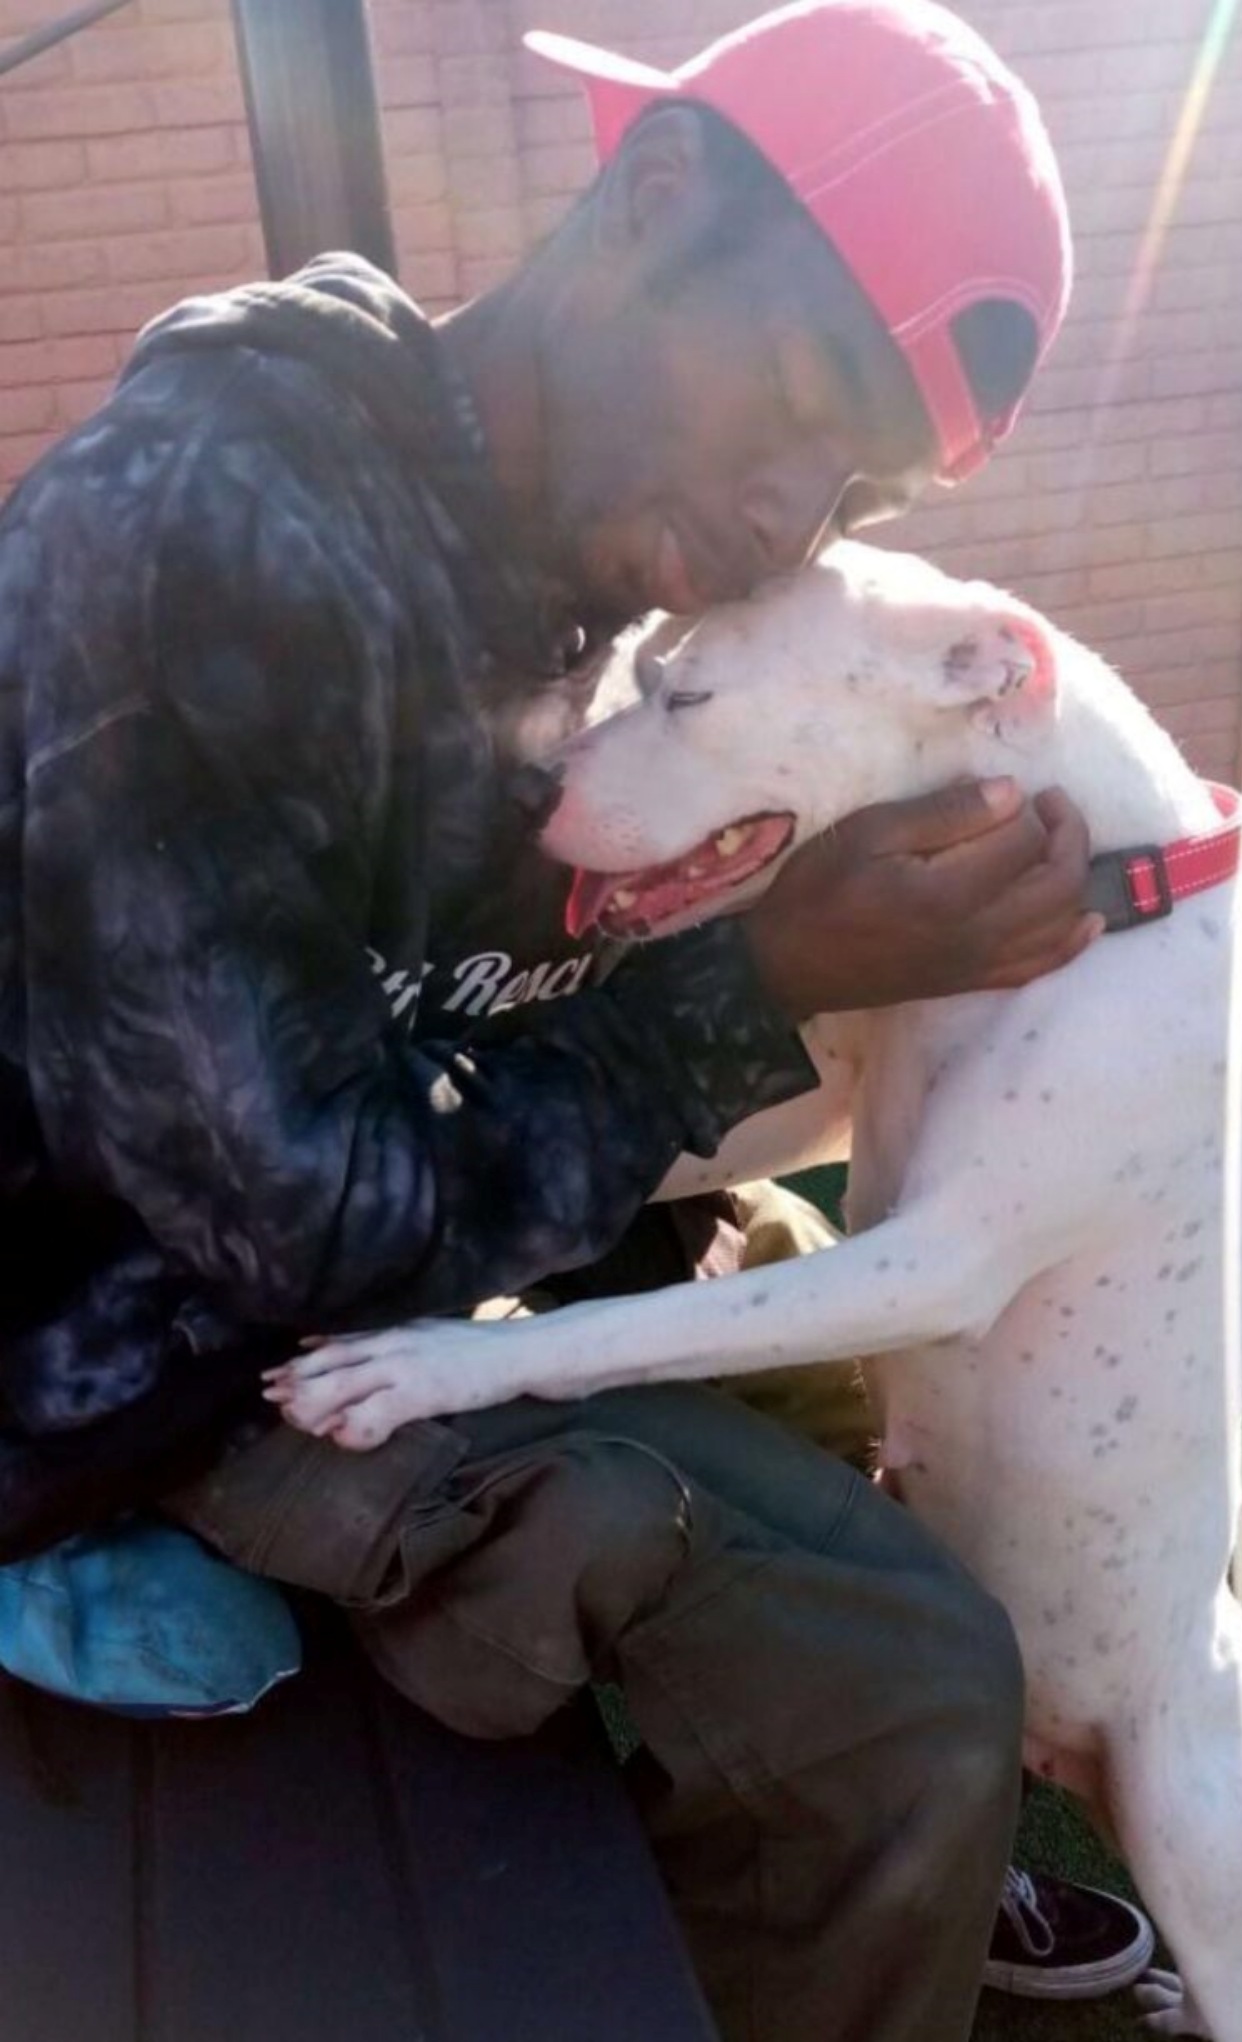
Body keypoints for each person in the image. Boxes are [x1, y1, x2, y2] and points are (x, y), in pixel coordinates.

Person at [0, 0, 1152, 2033]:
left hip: (335, 1248)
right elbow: (307, 1228)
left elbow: (470, 992)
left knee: (855, 1341)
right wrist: (762, 979)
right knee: (897, 1674)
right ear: (654, 197)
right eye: (796, 395)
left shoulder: (569, 559)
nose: (796, 511)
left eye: (855, 481)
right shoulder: (215, 542)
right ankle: (848, 1873)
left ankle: (821, 1881)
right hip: (120, 1349)